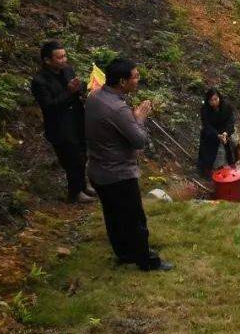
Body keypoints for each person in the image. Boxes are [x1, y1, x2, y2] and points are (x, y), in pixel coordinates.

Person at [85, 57, 171, 271]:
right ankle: (146, 260)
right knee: (135, 219)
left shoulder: (94, 97)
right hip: (119, 174)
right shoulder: (117, 109)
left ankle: (123, 253)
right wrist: (139, 117)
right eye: (135, 77)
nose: (138, 80)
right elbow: (139, 140)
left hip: (98, 170)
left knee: (113, 216)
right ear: (122, 82)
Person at [31, 41, 94, 203]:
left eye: (64, 56)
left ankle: (83, 185)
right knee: (71, 158)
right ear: (47, 60)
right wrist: (69, 91)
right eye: (59, 58)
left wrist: (82, 89)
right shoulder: (40, 81)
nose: (64, 60)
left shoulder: (68, 70)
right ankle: (75, 193)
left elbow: (76, 90)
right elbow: (49, 106)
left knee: (82, 154)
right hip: (60, 126)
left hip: (77, 120)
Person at [197, 88, 238, 178]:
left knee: (230, 144)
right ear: (208, 101)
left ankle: (231, 166)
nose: (214, 102)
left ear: (219, 98)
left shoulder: (226, 106)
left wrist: (226, 133)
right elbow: (206, 125)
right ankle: (207, 169)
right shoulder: (205, 110)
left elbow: (231, 121)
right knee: (208, 149)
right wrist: (216, 135)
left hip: (225, 130)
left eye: (216, 99)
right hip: (211, 132)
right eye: (211, 100)